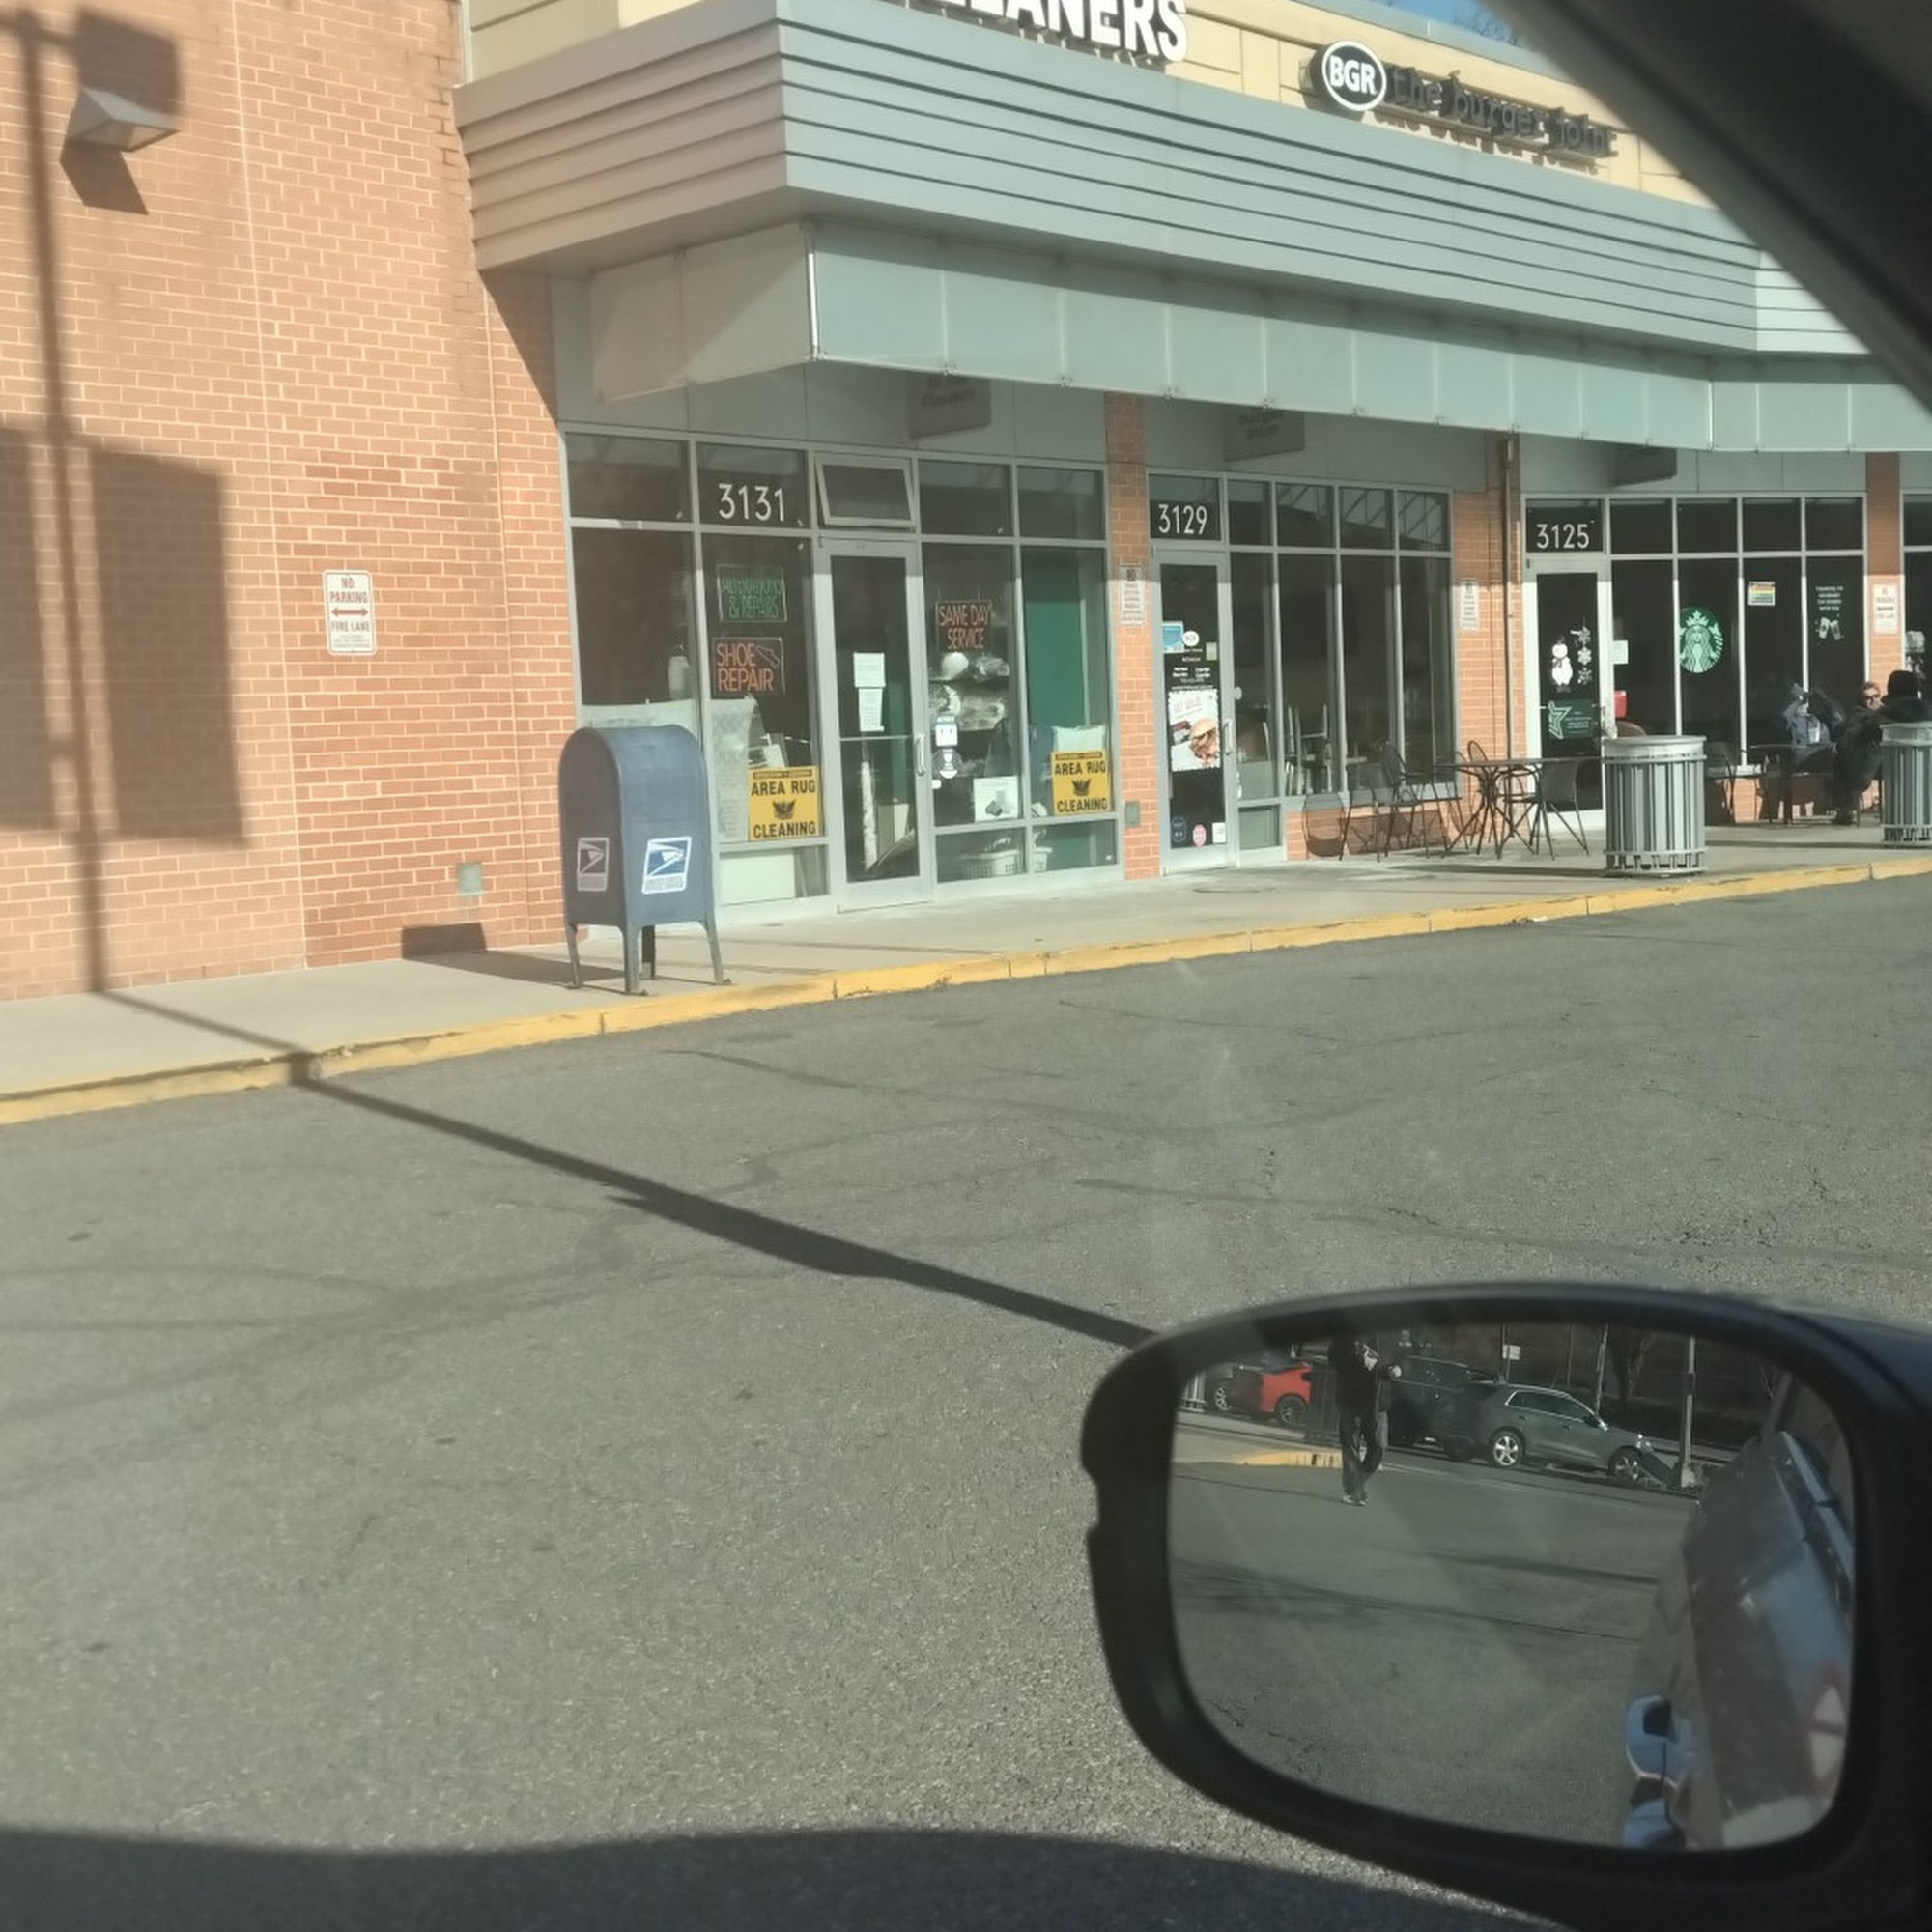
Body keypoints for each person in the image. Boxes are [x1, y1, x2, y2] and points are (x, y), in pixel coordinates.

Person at [1832, 669, 1931, 822]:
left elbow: (1855, 736)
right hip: (1925, 763)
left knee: (1842, 757)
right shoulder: (1926, 709)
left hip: (1893, 763)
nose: (1873, 700)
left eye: (1876, 696)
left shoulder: (1883, 714)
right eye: (1868, 698)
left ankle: (1846, 808)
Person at [1327, 1334, 1403, 1507]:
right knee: (1350, 1446)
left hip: (1378, 1402)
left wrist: (1393, 1369)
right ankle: (1353, 1491)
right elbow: (1334, 1359)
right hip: (1351, 1399)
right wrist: (1358, 1361)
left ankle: (1357, 1481)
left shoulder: (1389, 1334)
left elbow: (1392, 1361)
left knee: (1379, 1446)